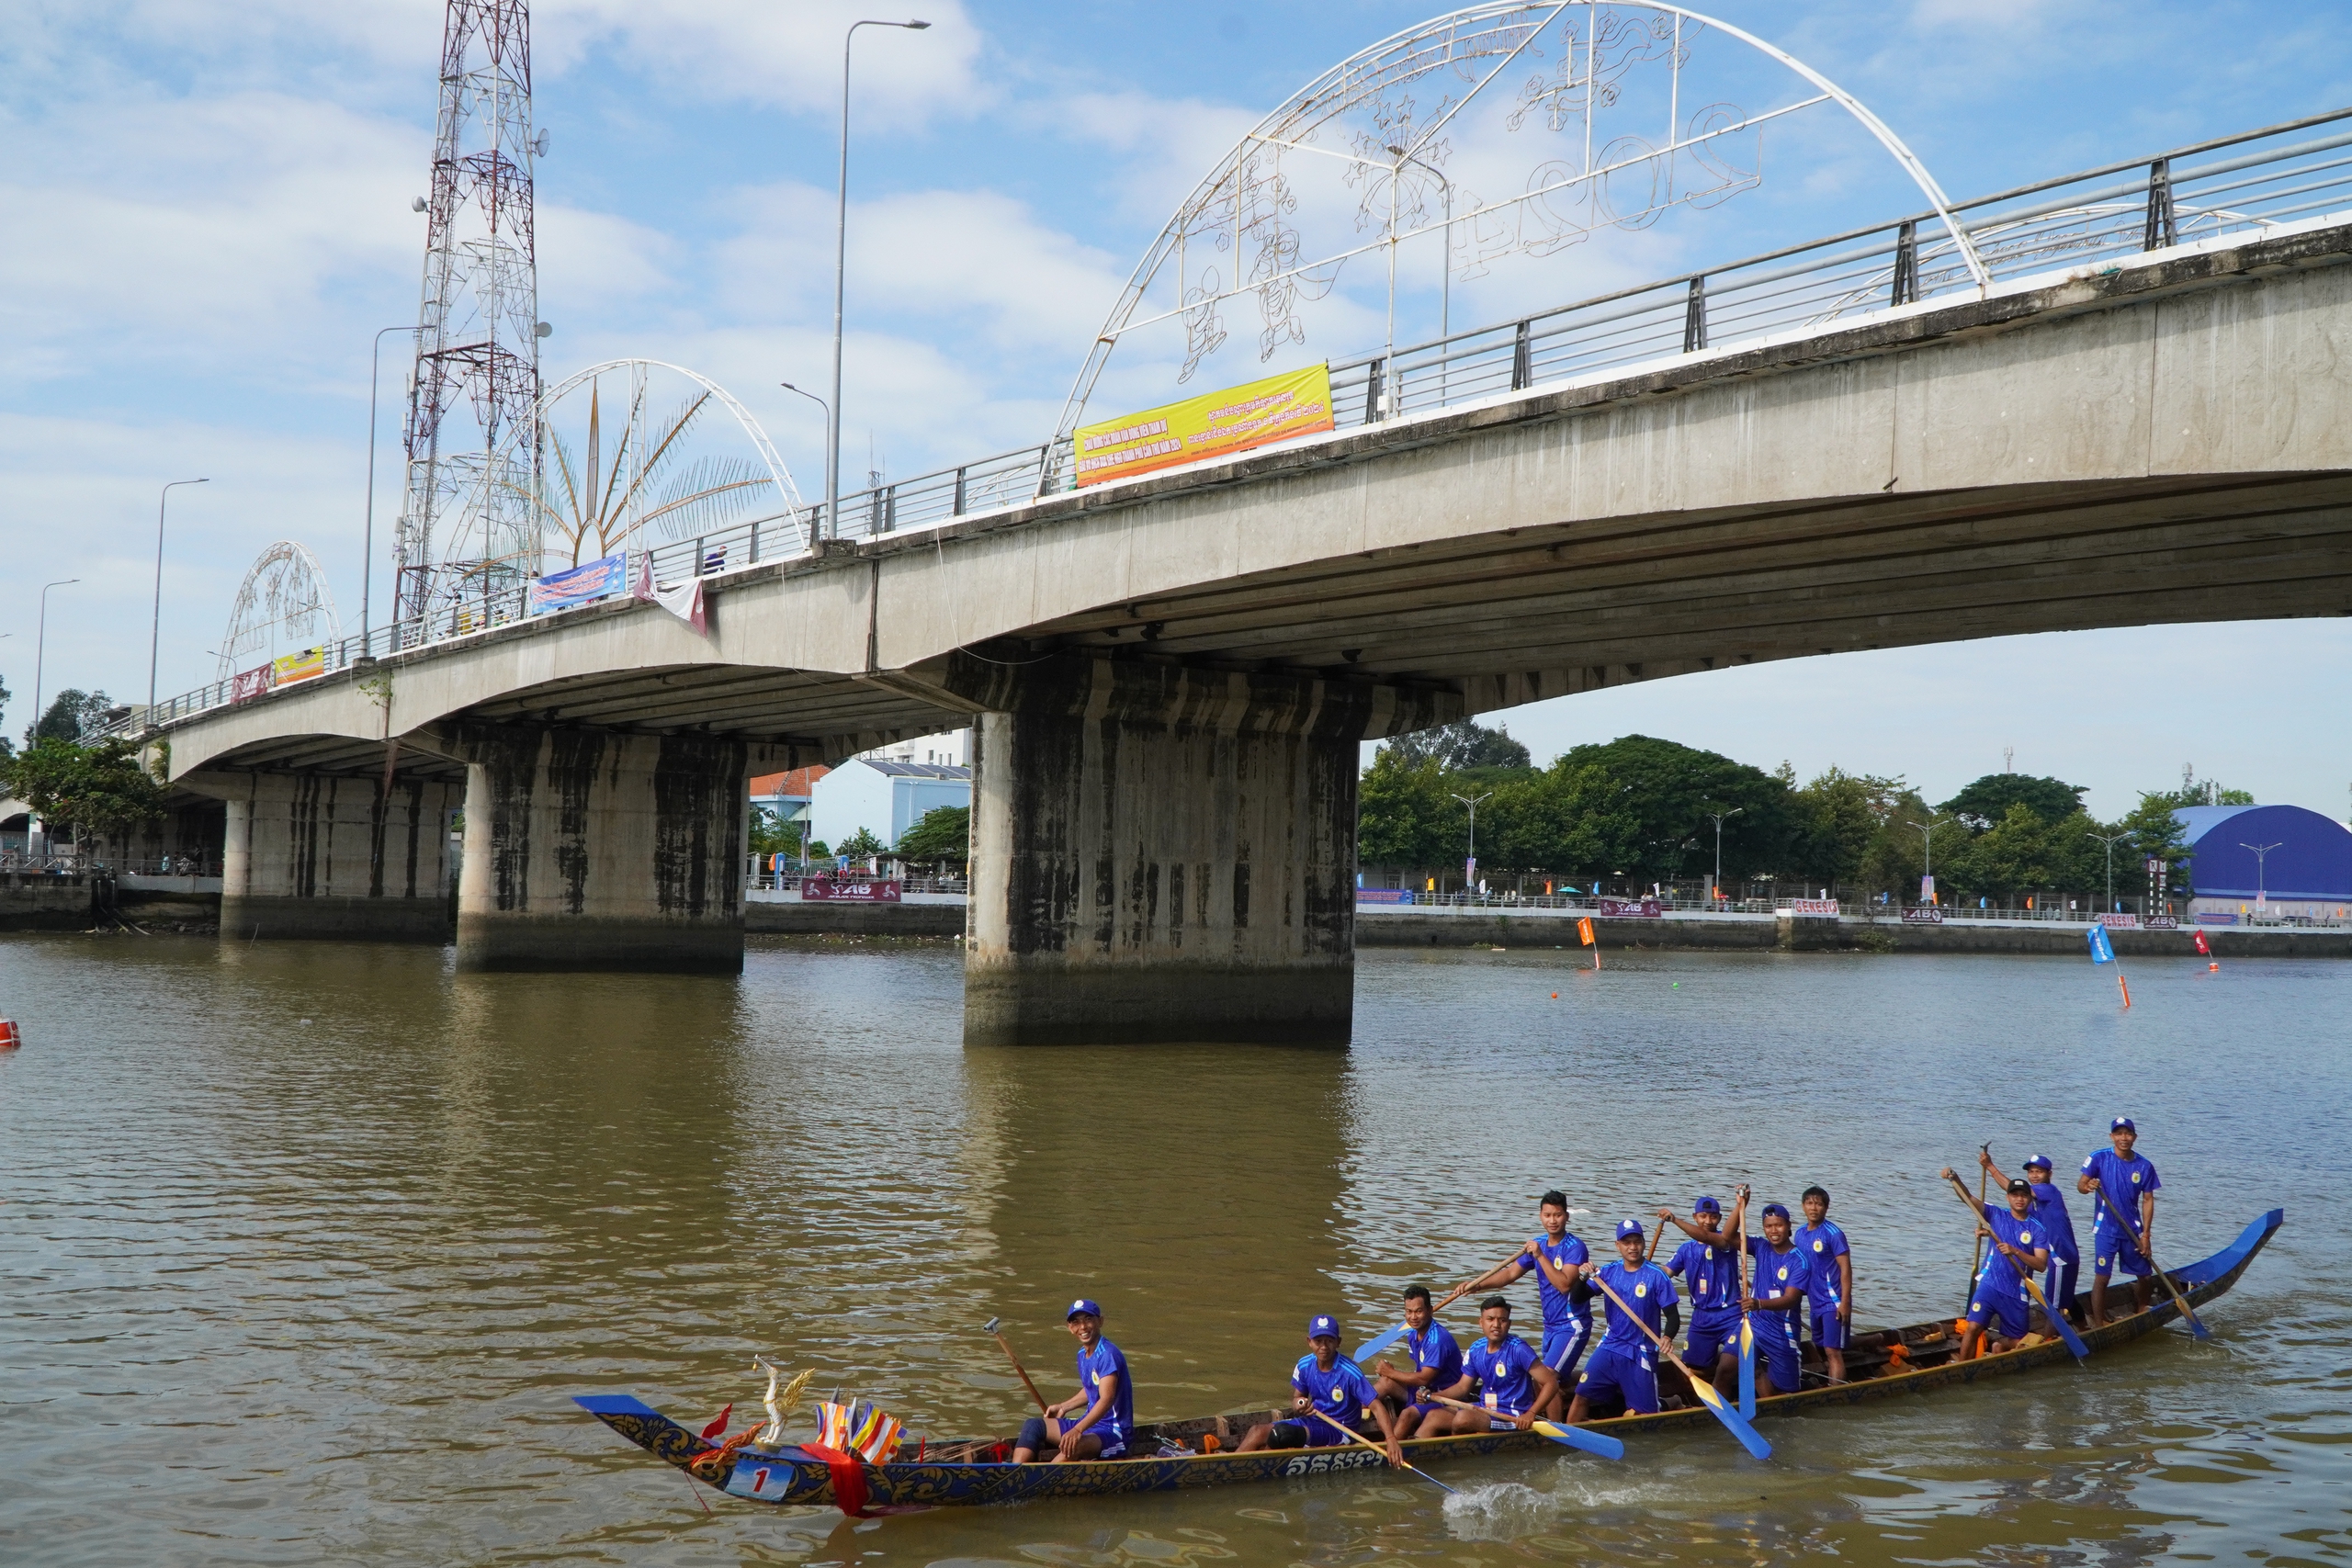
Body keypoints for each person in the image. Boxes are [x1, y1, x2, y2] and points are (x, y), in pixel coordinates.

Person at [1452, 1190, 1590, 1418]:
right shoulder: (1538, 1244)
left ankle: (1557, 1432)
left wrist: (1540, 1256)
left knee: (1547, 1377)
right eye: (1547, 1215)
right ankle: (1587, 1385)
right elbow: (1509, 1274)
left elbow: (1564, 1284)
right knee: (1550, 1379)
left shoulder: (1574, 1247)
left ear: (1566, 1216)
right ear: (1540, 1216)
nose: (1552, 1220)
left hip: (1572, 1324)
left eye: (1557, 1215)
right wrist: (1477, 1285)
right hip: (1551, 1325)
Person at [1236, 1314, 1405, 1465]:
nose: (1323, 1346)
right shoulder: (1304, 1365)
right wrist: (1300, 1405)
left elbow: (1376, 1406)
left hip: (1340, 1430)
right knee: (1256, 1431)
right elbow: (1297, 1398)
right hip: (1314, 1421)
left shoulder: (1350, 1373)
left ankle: (1257, 1465)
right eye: (1318, 1341)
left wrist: (1391, 1439)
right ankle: (1234, 1463)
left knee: (1281, 1435)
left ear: (1338, 1342)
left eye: (1329, 1341)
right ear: (1309, 1342)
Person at [1568, 1219, 1682, 1421]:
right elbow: (1577, 1298)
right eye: (1627, 1242)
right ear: (1618, 1245)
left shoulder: (1657, 1276)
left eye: (1637, 1242)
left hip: (1641, 1351)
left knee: (1645, 1416)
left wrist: (1667, 1337)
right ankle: (1570, 1436)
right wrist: (1582, 1277)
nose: (1632, 1247)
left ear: (1643, 1243)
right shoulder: (1607, 1273)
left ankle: (1671, 1401)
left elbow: (1673, 1315)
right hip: (1610, 1346)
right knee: (1581, 1395)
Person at [1943, 1168, 2052, 1357]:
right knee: (1973, 1327)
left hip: (2016, 1292)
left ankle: (2000, 1347)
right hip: (1990, 1284)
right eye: (2015, 1195)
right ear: (2008, 1197)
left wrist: (2015, 1251)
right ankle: (1962, 1366)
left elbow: (2041, 1265)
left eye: (2024, 1195)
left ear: (2029, 1199)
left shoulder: (2038, 1229)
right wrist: (1955, 1178)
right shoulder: (1995, 1214)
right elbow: (1968, 1198)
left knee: (2019, 1342)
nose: (2019, 1199)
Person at [1414, 1296, 1561, 1436]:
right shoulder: (1476, 1349)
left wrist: (1531, 1413)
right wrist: (1433, 1396)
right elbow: (1462, 1388)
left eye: (1502, 1320)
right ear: (1481, 1322)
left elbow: (1551, 1383)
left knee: (1462, 1419)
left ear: (1508, 1324)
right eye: (1490, 1319)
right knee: (1433, 1416)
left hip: (1513, 1414)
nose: (1496, 1325)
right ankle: (1408, 1455)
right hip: (1485, 1408)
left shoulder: (1519, 1349)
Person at [1011, 1298, 1134, 1462]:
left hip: (1114, 1432)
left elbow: (1106, 1399)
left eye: (1088, 1319)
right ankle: (1015, 1473)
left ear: (1100, 1321)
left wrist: (1077, 1430)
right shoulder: (1082, 1354)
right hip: (1090, 1425)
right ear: (1070, 1328)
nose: (1082, 1327)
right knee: (1033, 1425)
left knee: (1074, 1445)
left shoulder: (1107, 1354)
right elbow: (1092, 1388)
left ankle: (1041, 1480)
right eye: (1076, 1322)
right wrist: (1064, 1406)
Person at [1657, 1190, 1747, 1398]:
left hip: (1730, 1314)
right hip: (1701, 1317)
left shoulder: (1725, 1242)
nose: (1708, 1221)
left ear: (1719, 1219)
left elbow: (1707, 1237)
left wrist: (1740, 1204)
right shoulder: (1685, 1249)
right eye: (1703, 1216)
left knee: (1745, 1364)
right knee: (1691, 1365)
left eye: (1713, 1216)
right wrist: (1642, 1267)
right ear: (1695, 1217)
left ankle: (1729, 1375)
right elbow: (1667, 1273)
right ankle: (1718, 1370)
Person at [1983, 1146, 2082, 1329]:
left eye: (2039, 1172)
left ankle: (2048, 1339)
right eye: (2031, 1172)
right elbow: (2012, 1222)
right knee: (2063, 1297)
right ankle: (2084, 1328)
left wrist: (1990, 1167)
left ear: (2049, 1174)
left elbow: (2013, 1188)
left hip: (2061, 1256)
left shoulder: (2048, 1191)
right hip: (2052, 1258)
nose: (2035, 1176)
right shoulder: (2028, 1205)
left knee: (2053, 1304)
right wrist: (1988, 1231)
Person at [2078, 1116, 2162, 1325]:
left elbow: (2148, 1199)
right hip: (2105, 1229)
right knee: (2102, 1277)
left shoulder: (2144, 1166)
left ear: (2134, 1137)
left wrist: (2146, 1235)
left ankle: (2141, 1308)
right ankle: (2099, 1323)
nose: (2123, 1138)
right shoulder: (2099, 1158)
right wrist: (2089, 1186)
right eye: (2119, 1134)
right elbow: (2081, 1185)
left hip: (2132, 1230)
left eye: (2127, 1134)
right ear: (2112, 1136)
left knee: (2144, 1275)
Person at [1371, 1284, 1464, 1438]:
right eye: (1409, 1312)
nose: (1413, 1317)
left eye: (1419, 1311)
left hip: (1443, 1396)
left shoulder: (1437, 1340)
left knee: (1407, 1414)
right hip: (1424, 1391)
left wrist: (1391, 1372)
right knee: (1386, 1382)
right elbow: (1419, 1373)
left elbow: (1424, 1377)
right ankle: (1348, 1411)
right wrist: (1391, 1375)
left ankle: (1390, 1452)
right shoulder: (1413, 1334)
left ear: (1430, 1310)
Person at [1741, 1201, 1812, 1397]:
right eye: (1768, 1226)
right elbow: (1728, 1237)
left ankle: (1796, 1392)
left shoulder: (1799, 1260)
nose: (1773, 1231)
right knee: (1739, 1365)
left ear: (1788, 1226)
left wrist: (1758, 1304)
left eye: (1778, 1225)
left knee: (1787, 1391)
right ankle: (1766, 1402)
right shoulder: (1760, 1247)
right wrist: (1741, 1205)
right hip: (1754, 1326)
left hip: (1783, 1332)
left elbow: (1791, 1299)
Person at [1793, 1186, 1855, 1384]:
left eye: (1819, 1204)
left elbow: (1845, 1269)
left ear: (1826, 1208)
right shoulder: (1800, 1234)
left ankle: (1835, 1393)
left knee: (1832, 1350)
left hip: (1834, 1301)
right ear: (1803, 1206)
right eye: (1810, 1203)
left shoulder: (1834, 1234)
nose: (1814, 1208)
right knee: (1820, 1343)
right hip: (1814, 1301)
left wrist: (1844, 1302)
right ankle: (1874, 1340)